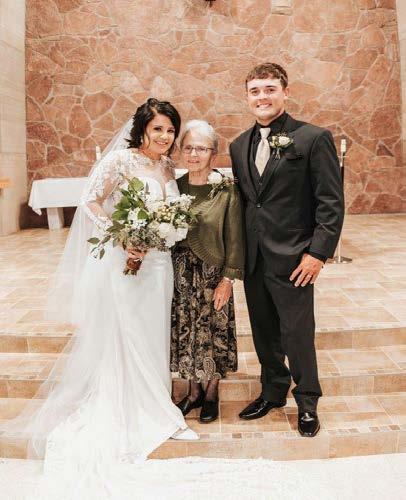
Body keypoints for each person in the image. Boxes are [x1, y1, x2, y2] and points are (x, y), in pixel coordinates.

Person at [6, 98, 198, 497]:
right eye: (158, 129)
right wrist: (122, 236)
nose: (165, 136)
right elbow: (89, 201)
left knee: (154, 333)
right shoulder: (121, 161)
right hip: (128, 261)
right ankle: (141, 409)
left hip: (160, 262)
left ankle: (156, 402)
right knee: (130, 332)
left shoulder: (166, 167)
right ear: (143, 128)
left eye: (170, 130)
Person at [230, 63, 344, 437]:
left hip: (295, 257)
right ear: (247, 97)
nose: (262, 97)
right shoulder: (238, 145)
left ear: (285, 92)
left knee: (297, 334)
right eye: (255, 91)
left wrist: (318, 253)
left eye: (269, 89)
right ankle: (272, 392)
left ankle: (307, 402)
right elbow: (250, 202)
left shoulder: (313, 138)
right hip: (254, 258)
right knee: (264, 332)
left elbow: (330, 202)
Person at [171, 120, 244, 423]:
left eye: (201, 149)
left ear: (214, 153)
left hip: (213, 275)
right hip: (179, 274)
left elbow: (236, 237)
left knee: (213, 333)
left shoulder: (226, 189)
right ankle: (193, 392)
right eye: (188, 148)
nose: (193, 154)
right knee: (185, 330)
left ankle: (211, 393)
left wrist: (228, 279)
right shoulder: (174, 187)